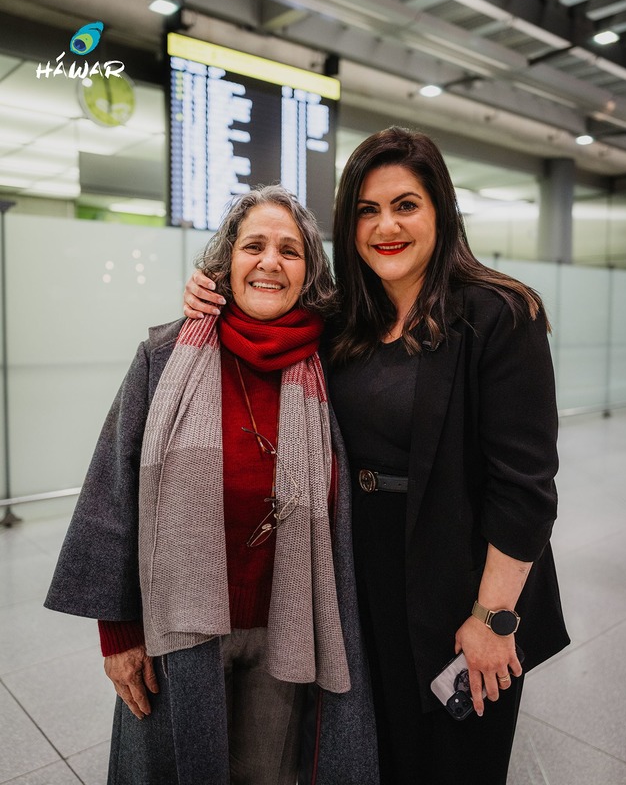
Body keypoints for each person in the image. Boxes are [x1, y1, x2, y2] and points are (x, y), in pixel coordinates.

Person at [183, 127, 570, 784]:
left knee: (454, 760)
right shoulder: (340, 321)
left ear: (441, 212)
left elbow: (525, 488)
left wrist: (492, 618)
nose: (385, 225)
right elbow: (264, 309)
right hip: (362, 577)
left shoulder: (500, 315)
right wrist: (208, 293)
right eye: (367, 210)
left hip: (462, 581)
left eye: (405, 205)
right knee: (374, 755)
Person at [45, 185, 379, 785]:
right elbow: (113, 490)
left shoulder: (333, 363)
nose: (270, 262)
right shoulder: (167, 354)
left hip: (289, 627)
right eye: (253, 245)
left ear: (311, 272)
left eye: (290, 250)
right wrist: (118, 633)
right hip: (180, 628)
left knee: (268, 774)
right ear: (226, 263)